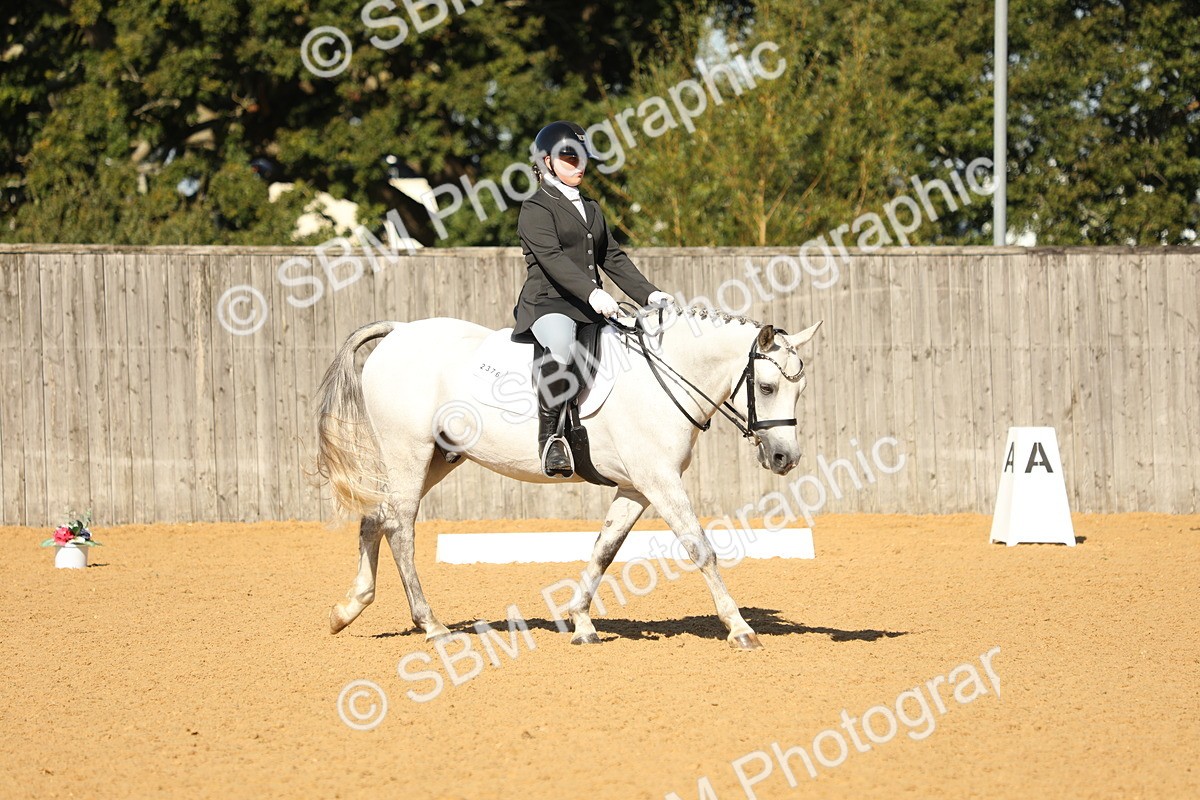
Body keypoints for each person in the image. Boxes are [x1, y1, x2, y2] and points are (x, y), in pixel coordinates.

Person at [512, 120, 673, 478]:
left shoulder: (592, 208)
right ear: (547, 161)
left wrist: (650, 294)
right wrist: (593, 292)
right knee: (561, 346)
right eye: (570, 158)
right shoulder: (536, 208)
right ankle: (551, 439)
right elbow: (552, 259)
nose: (579, 165)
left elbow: (612, 257)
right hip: (549, 303)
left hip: (589, 305)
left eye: (582, 158)